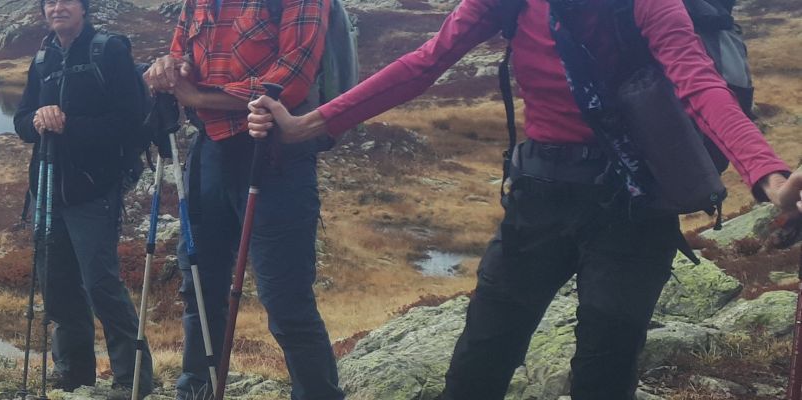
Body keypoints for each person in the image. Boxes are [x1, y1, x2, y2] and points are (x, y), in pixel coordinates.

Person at [245, 0, 802, 397]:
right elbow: (424, 64)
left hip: (636, 207)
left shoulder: (648, 3)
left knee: (603, 376)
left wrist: (769, 178)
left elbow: (700, 85)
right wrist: (307, 125)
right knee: (479, 361)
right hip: (541, 199)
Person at [142, 0, 345, 397]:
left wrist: (200, 98)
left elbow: (291, 81)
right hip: (211, 155)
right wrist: (170, 65)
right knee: (199, 286)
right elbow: (182, 52)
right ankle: (197, 388)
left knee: (286, 302)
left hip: (275, 158)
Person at [11, 0, 155, 396]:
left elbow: (128, 122)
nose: (57, 8)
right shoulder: (42, 57)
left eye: (66, 2)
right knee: (56, 286)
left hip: (93, 190)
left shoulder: (109, 51)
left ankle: (133, 380)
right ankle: (74, 373)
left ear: (84, 8)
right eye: (50, 3)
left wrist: (68, 125)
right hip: (47, 188)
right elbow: (21, 119)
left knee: (100, 285)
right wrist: (37, 120)